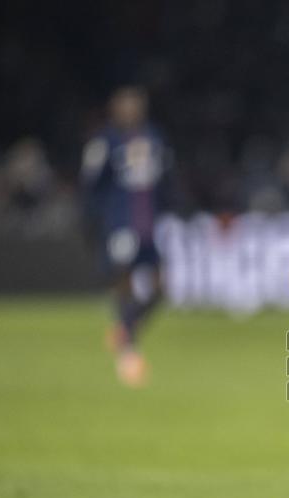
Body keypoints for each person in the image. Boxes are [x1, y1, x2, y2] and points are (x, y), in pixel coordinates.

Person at [82, 86, 170, 387]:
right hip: (120, 224)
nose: (131, 111)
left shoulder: (154, 137)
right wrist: (98, 222)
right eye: (126, 106)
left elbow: (165, 179)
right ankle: (129, 351)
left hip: (147, 224)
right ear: (115, 110)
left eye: (135, 106)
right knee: (125, 283)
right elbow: (92, 184)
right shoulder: (105, 141)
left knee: (160, 288)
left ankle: (126, 328)